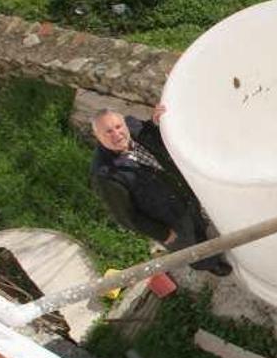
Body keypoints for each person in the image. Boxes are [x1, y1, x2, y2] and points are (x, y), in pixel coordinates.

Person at [89, 104, 232, 276]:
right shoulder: (105, 174)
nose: (116, 134)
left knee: (198, 223)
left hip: (181, 193)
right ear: (97, 136)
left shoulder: (134, 125)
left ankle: (205, 234)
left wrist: (159, 122)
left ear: (124, 124)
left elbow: (156, 135)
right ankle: (210, 264)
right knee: (189, 247)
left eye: (118, 127)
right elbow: (125, 216)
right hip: (168, 220)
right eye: (108, 132)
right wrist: (162, 233)